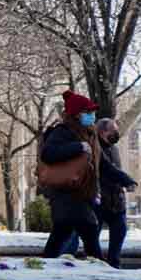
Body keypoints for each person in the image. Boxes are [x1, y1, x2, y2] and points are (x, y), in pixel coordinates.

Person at [39, 91, 104, 260]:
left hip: (81, 193)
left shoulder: (90, 134)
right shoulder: (63, 131)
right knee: (89, 228)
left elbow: (102, 165)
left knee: (61, 233)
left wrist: (123, 180)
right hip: (66, 192)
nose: (92, 116)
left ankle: (44, 266)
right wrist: (78, 147)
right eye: (88, 112)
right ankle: (101, 269)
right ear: (76, 114)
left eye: (92, 112)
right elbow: (48, 153)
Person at [94, 116, 136, 267]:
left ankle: (114, 263)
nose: (117, 133)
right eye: (114, 131)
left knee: (120, 230)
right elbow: (108, 170)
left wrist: (125, 185)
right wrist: (127, 180)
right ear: (103, 132)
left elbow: (117, 170)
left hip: (116, 199)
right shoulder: (95, 149)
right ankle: (96, 262)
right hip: (99, 199)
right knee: (93, 235)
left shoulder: (114, 149)